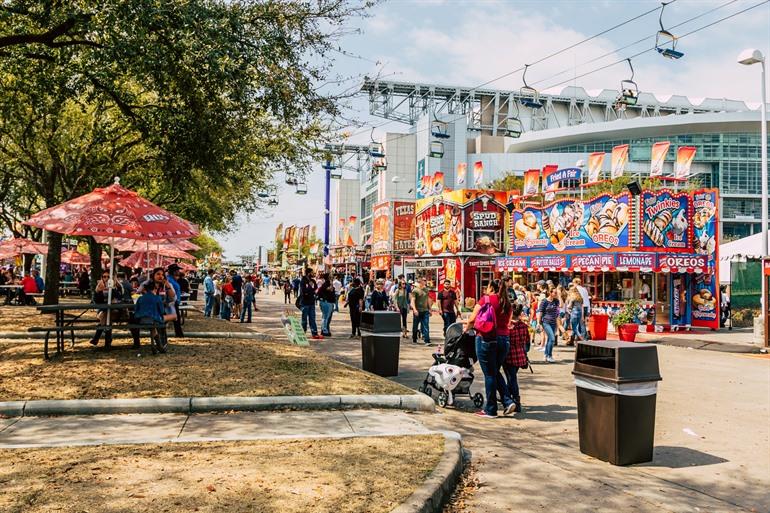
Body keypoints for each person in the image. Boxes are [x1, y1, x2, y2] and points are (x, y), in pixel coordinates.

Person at [464, 279, 515, 418]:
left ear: (491, 288)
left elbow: (472, 319)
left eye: (486, 287)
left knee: (490, 374)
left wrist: (465, 330)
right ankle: (507, 401)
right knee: (494, 371)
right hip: (504, 340)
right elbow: (508, 322)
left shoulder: (486, 299)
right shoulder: (508, 303)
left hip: (486, 338)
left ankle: (491, 409)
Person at [503, 303, 529, 413]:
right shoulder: (523, 326)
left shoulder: (508, 326)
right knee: (511, 378)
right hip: (520, 355)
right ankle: (511, 400)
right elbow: (527, 341)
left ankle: (515, 401)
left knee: (511, 378)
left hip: (509, 355)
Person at [129, 280, 166, 349]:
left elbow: (136, 309)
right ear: (154, 289)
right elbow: (162, 311)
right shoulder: (158, 298)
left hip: (141, 320)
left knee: (133, 320)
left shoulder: (140, 298)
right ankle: (159, 345)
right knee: (154, 326)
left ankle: (137, 342)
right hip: (154, 320)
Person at [537, 287, 561, 363]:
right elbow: (540, 312)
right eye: (555, 293)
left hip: (553, 322)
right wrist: (539, 323)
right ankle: (549, 355)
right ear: (550, 293)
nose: (556, 294)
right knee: (552, 338)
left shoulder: (556, 301)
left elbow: (557, 311)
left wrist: (558, 324)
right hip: (546, 322)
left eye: (556, 293)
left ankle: (546, 355)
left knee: (550, 339)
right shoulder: (544, 301)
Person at [300, 268, 322, 339]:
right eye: (312, 272)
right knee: (304, 319)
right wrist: (310, 288)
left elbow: (315, 289)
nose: (313, 274)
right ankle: (303, 332)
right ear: (309, 273)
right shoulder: (303, 281)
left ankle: (314, 333)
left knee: (312, 318)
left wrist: (312, 291)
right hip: (305, 303)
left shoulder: (313, 280)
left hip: (312, 302)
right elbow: (303, 291)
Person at [410, 277, 432, 346]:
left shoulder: (426, 290)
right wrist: (415, 309)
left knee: (426, 325)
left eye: (425, 280)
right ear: (420, 282)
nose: (425, 281)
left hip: (425, 311)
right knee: (415, 326)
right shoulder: (415, 290)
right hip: (417, 311)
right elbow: (412, 301)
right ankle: (414, 338)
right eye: (424, 280)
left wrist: (430, 309)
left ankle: (427, 340)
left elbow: (428, 300)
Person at [167, 265, 184, 337]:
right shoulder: (169, 280)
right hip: (171, 302)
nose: (179, 272)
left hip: (175, 302)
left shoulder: (173, 279)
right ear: (174, 271)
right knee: (176, 318)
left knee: (177, 318)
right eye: (177, 270)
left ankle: (179, 334)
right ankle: (179, 334)